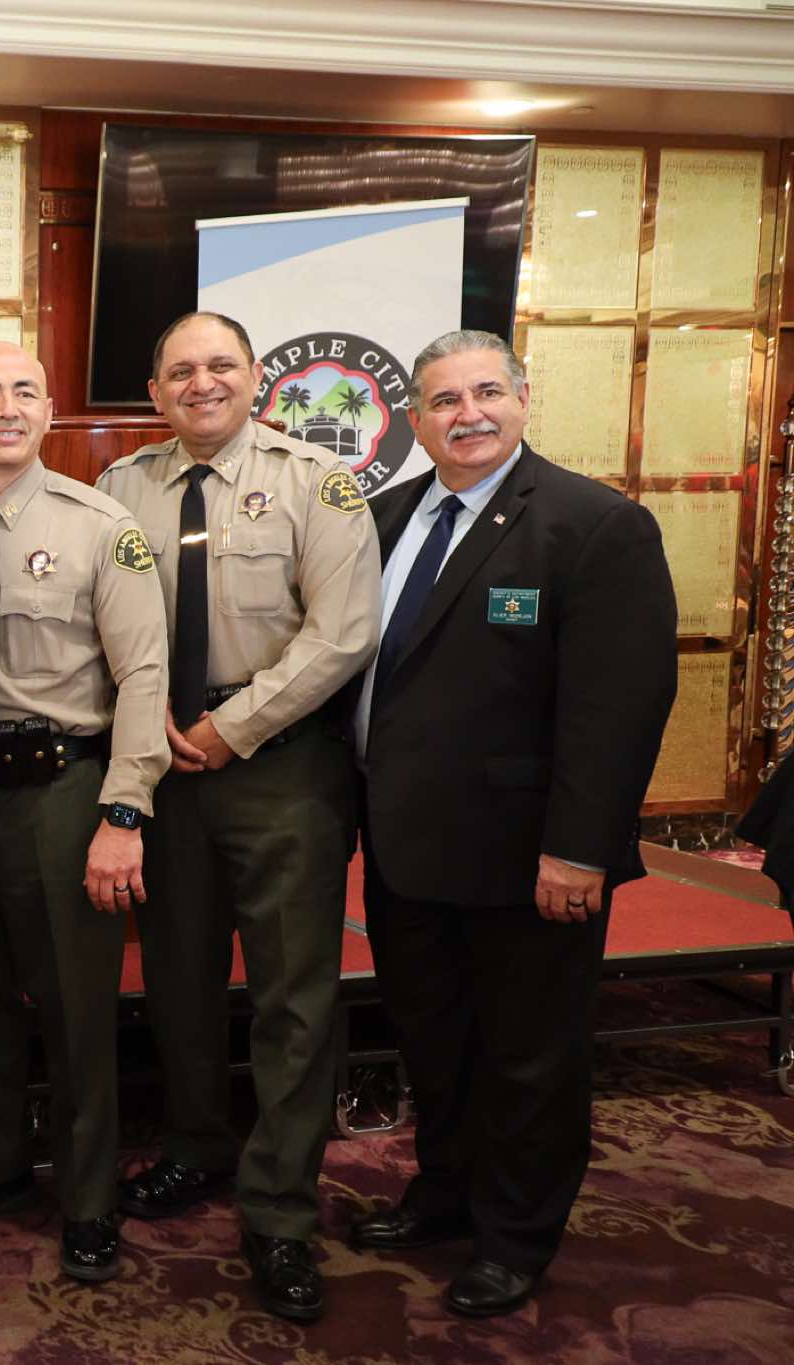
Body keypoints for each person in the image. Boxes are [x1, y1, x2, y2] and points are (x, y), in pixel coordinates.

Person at [350, 329, 677, 1316]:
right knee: (435, 1042)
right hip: (405, 849)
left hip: (529, 858)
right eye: (444, 401)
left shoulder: (594, 524)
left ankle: (515, 1235)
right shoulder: (384, 516)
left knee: (529, 1056)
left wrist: (579, 848)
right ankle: (446, 1191)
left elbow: (617, 708)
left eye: (486, 392)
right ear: (414, 421)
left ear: (523, 400)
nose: (468, 415)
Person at [96, 310, 380, 1322]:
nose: (201, 383)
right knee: (176, 978)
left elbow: (343, 632)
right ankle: (195, 1147)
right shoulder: (121, 486)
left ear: (256, 377)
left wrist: (232, 726)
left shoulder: (317, 481)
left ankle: (278, 1207)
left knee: (291, 996)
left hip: (278, 767)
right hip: (163, 766)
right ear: (155, 390)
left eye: (221, 365)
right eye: (180, 370)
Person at [0, 343, 170, 1282]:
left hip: (63, 789)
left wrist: (124, 811)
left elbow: (144, 674)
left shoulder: (100, 525)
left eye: (26, 390)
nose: (8, 407)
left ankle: (89, 1196)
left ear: (50, 410)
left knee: (75, 1007)